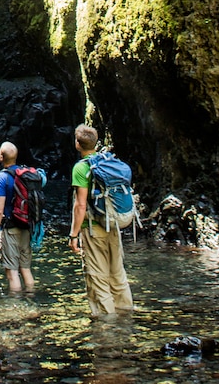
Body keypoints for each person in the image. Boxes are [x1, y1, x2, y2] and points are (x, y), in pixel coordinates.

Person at [68, 123, 134, 317]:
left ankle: (107, 327)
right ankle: (126, 317)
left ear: (77, 144)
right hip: (113, 224)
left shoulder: (81, 168)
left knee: (98, 278)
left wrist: (73, 234)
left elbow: (80, 205)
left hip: (93, 229)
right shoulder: (108, 161)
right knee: (118, 275)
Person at [0, 140, 35, 293]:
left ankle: (17, 306)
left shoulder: (1, 178)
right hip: (27, 227)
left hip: (10, 228)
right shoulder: (26, 175)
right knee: (25, 269)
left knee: (12, 272)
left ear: (1, 157)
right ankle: (31, 298)